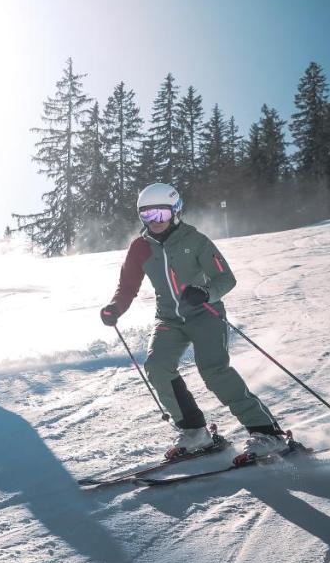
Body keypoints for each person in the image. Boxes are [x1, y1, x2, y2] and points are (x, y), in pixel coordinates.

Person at [100, 183, 288, 464]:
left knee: (213, 371)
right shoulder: (140, 248)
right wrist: (115, 307)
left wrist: (205, 293)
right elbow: (127, 285)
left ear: (175, 211)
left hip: (205, 313)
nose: (155, 222)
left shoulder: (195, 240)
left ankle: (267, 432)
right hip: (168, 318)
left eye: (161, 215)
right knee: (157, 366)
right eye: (148, 216)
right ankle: (194, 431)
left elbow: (226, 278)